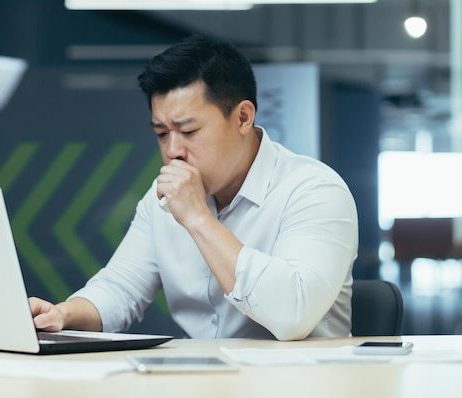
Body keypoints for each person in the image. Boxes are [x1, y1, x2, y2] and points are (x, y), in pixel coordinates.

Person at [29, 34, 358, 341]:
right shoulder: (162, 199)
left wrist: (199, 219)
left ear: (243, 117)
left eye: (188, 130)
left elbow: (293, 315)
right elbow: (120, 289)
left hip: (299, 391)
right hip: (200, 388)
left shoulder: (315, 190)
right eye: (161, 133)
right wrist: (64, 314)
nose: (172, 150)